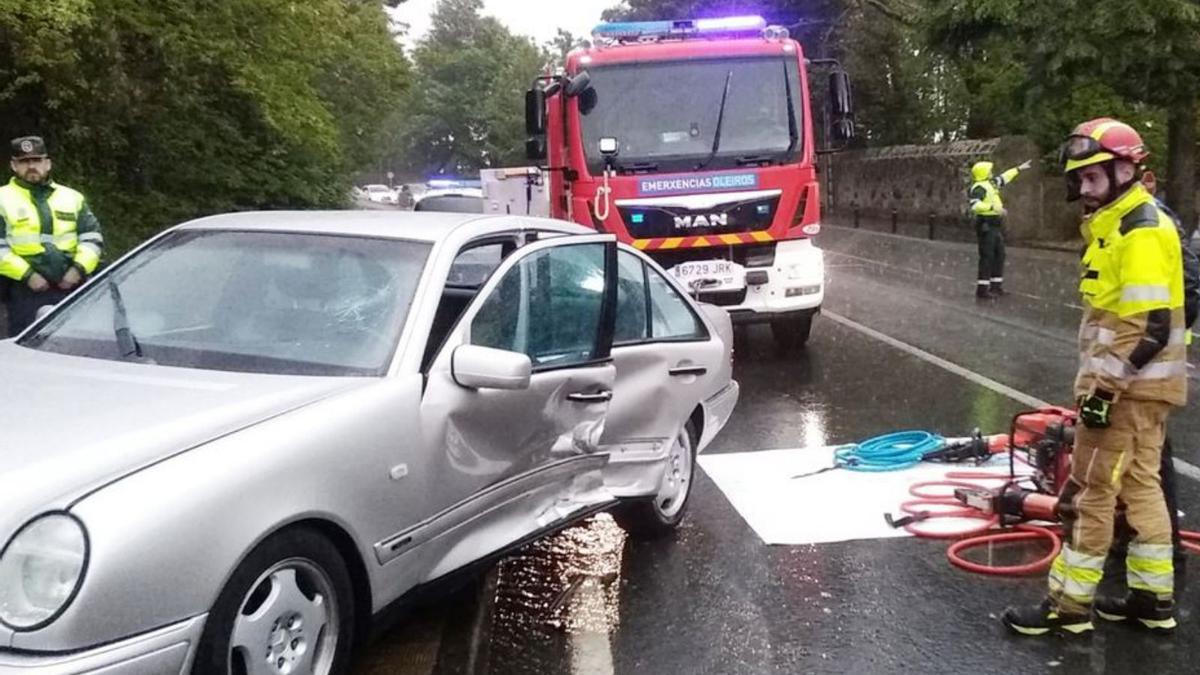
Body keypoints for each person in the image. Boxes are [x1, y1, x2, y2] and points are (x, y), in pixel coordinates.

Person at [1004, 118, 1186, 636]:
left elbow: (1144, 324)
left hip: (1126, 391)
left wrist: (1103, 392)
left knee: (1089, 493)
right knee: (1141, 486)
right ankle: (1153, 599)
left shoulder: (1139, 230)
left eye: (1092, 178)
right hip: (1146, 389)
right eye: (1079, 180)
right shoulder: (1122, 224)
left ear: (1125, 169)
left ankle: (1068, 607)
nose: (1083, 190)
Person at [0, 136, 103, 336]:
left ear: (47, 164)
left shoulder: (72, 197)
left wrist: (78, 270)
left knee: (74, 344)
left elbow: (92, 239)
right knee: (26, 348)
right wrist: (28, 275)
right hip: (24, 290)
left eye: (37, 160)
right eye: (24, 162)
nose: (31, 166)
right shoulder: (2, 198)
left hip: (72, 288)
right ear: (14, 165)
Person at [968, 159, 1033, 298]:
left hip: (995, 224)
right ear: (984, 172)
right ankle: (982, 289)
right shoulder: (978, 187)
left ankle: (996, 287)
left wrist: (1019, 168)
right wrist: (993, 208)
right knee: (987, 256)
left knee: (999, 255)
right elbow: (974, 206)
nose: (992, 172)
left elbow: (1004, 177)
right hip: (985, 224)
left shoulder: (990, 184)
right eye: (989, 170)